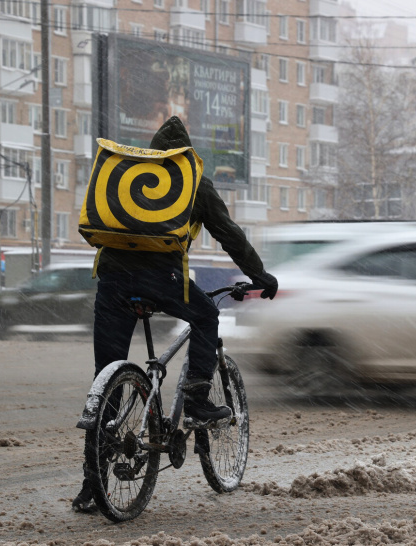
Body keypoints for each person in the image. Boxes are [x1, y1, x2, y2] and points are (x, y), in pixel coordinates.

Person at [72, 116, 278, 512]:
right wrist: (259, 275)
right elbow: (228, 232)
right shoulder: (191, 181)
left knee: (107, 378)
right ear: (186, 152)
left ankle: (90, 487)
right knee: (205, 316)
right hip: (162, 279)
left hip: (112, 278)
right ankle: (198, 398)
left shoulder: (129, 174)